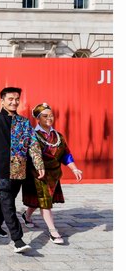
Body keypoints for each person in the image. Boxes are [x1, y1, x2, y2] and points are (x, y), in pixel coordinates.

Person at [0, 87, 45, 253]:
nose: (14, 102)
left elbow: (33, 144)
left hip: (20, 168)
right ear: (2, 101)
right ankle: (18, 240)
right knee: (9, 204)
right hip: (1, 168)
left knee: (6, 200)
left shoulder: (24, 122)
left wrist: (39, 165)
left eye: (16, 99)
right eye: (10, 99)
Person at [20, 103, 83, 244]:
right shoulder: (33, 135)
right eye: (45, 116)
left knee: (40, 200)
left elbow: (65, 154)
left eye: (51, 115)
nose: (49, 118)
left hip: (54, 175)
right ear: (37, 118)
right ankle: (53, 231)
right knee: (45, 201)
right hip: (38, 174)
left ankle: (27, 216)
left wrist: (74, 168)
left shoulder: (58, 136)